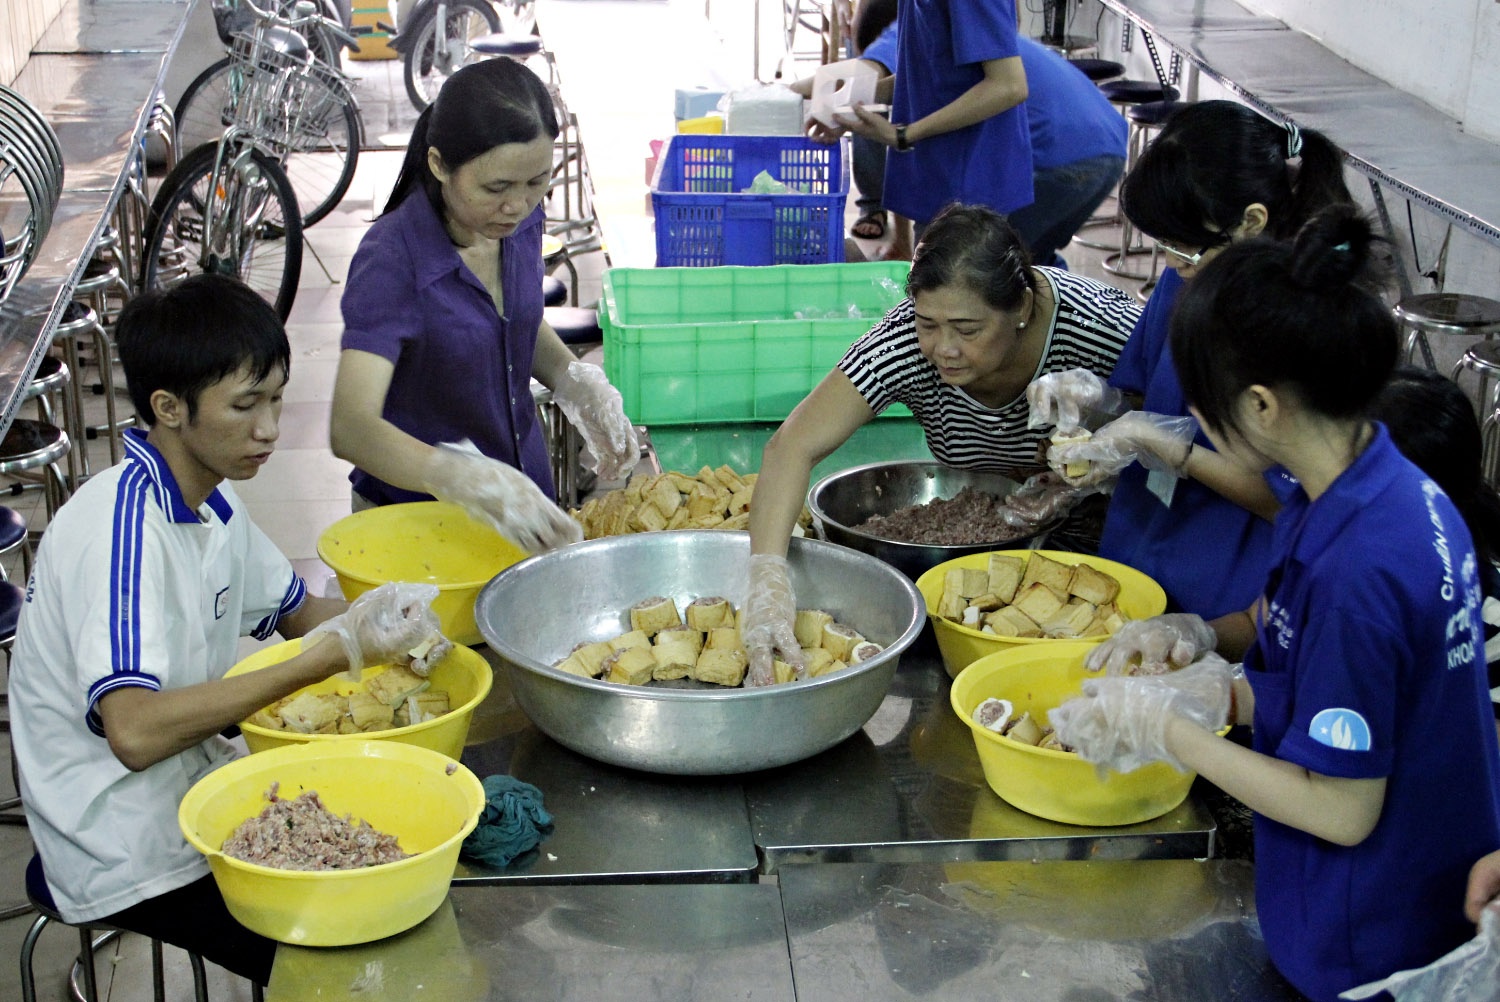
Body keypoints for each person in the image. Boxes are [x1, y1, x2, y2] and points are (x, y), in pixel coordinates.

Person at [1047, 207, 1500, 1002]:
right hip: (1381, 881)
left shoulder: (1361, 567)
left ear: (1261, 408)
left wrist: (1170, 729)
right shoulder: (1369, 484)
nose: (1193, 419)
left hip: (1370, 922)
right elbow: (1333, 676)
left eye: (1200, 403)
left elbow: (1343, 812)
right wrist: (1215, 685)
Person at [8, 274, 444, 986]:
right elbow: (136, 733)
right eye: (246, 406)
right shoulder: (120, 530)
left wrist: (390, 623)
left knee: (383, 849)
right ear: (169, 408)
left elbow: (301, 614)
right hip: (115, 838)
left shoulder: (213, 503)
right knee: (343, 955)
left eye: (275, 399)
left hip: (191, 782)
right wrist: (324, 659)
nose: (270, 428)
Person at [744, 203, 1141, 684]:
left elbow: (1201, 433)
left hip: (1112, 555)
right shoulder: (905, 345)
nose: (943, 348)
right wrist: (767, 580)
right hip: (972, 580)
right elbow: (791, 447)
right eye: (928, 323)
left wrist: (1118, 433)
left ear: (1022, 308)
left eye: (968, 330)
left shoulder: (1104, 331)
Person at [1030, 101, 1353, 622]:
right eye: (1165, 247)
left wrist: (1179, 454)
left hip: (1224, 588)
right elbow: (1144, 394)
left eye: (1184, 249)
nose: (1173, 265)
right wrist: (1096, 404)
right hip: (1140, 548)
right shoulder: (1189, 278)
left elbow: (1291, 501)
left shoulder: (1303, 331)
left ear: (1251, 222)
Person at [330, 58, 635, 552]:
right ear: (439, 165)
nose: (518, 204)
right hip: (421, 530)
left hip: (519, 510)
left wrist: (574, 380)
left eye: (538, 182)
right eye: (496, 188)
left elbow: (511, 321)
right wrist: (452, 474)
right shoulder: (392, 260)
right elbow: (351, 428)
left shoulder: (516, 224)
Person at [799, 27, 1126, 268]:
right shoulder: (953, 39)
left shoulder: (910, 32)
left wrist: (785, 93)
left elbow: (867, 76)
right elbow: (900, 100)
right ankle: (1048, 344)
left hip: (1060, 155)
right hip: (1105, 141)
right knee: (1028, 261)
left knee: (983, 268)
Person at [813, 0, 1032, 235]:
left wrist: (904, 134)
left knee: (952, 267)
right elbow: (927, 72)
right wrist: (847, 105)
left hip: (971, 183)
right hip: (938, 174)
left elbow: (1009, 86)